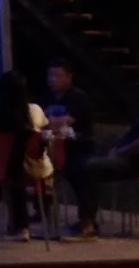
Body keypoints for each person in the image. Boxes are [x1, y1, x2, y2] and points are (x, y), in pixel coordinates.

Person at [66, 53, 139, 242]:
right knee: (82, 163)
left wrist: (120, 152)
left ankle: (87, 225)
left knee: (82, 167)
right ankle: (87, 220)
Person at [0, 70, 53, 240]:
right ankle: (43, 201)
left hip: (4, 171)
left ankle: (18, 223)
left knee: (11, 173)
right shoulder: (35, 110)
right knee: (19, 170)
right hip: (36, 168)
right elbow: (46, 132)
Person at [41, 57, 97, 234]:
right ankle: (40, 210)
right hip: (52, 147)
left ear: (69, 77)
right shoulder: (46, 97)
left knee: (79, 170)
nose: (53, 79)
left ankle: (87, 220)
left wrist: (49, 122)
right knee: (36, 166)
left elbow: (64, 121)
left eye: (58, 75)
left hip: (78, 146)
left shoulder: (78, 97)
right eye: (50, 75)